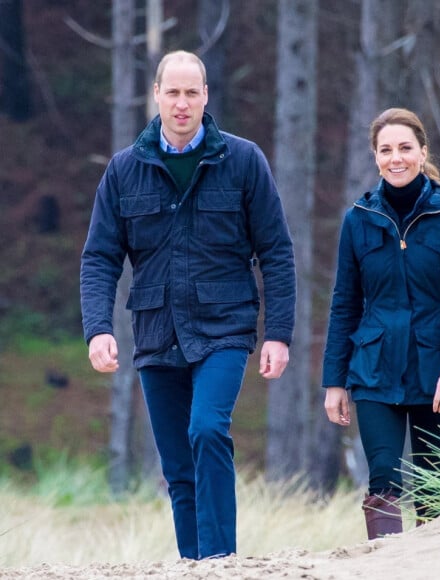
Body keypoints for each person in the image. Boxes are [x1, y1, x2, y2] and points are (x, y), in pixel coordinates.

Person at [80, 50, 296, 560]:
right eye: (172, 92)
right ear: (156, 95)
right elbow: (99, 259)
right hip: (155, 333)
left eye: (191, 92)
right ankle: (193, 566)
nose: (182, 103)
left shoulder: (242, 161)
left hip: (224, 328)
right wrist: (98, 328)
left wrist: (279, 333)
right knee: (177, 466)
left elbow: (277, 252)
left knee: (207, 429)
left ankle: (221, 562)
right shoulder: (124, 170)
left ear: (206, 96)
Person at [322, 107, 440, 539]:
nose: (396, 158)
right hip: (374, 372)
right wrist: (335, 381)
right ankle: (386, 565)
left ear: (422, 152)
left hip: (438, 375)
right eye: (386, 149)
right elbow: (344, 305)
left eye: (405, 148)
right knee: (383, 486)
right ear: (375, 156)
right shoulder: (358, 219)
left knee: (434, 492)